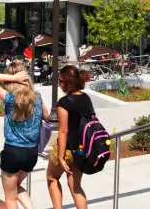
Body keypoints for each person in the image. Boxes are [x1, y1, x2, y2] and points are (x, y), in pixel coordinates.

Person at [0, 61, 50, 209]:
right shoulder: (37, 97)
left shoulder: (10, 98)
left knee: (10, 197)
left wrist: (13, 78)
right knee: (16, 187)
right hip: (32, 152)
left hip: (13, 150)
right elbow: (46, 115)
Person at [46, 66, 94, 209]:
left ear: (68, 82)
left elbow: (63, 131)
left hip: (66, 149)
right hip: (82, 149)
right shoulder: (86, 98)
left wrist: (60, 157)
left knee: (52, 178)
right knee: (76, 187)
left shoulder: (64, 103)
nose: (59, 84)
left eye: (60, 81)